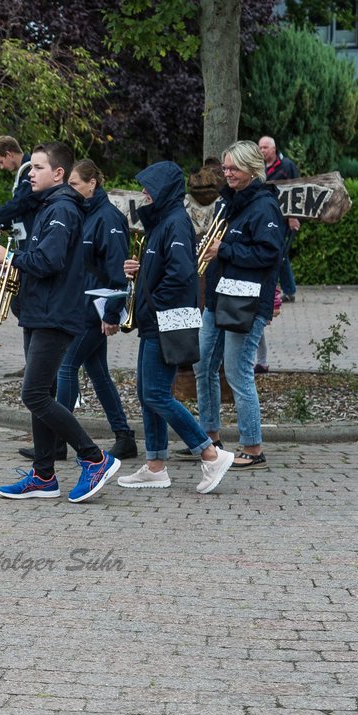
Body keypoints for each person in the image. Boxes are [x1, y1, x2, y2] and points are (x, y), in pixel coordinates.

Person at [0, 142, 120, 503]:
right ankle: (43, 476)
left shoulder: (61, 208)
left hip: (55, 313)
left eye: (38, 167)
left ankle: (94, 458)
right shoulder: (49, 207)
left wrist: (7, 256)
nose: (30, 173)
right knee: (43, 393)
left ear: (58, 174)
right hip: (41, 310)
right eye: (30, 167)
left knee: (35, 394)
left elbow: (50, 260)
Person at [114, 162, 236, 493]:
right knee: (147, 392)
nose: (142, 194)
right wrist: (138, 269)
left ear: (163, 190)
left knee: (154, 392)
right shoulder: (161, 223)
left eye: (148, 188)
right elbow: (164, 266)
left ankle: (210, 453)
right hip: (155, 321)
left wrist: (153, 302)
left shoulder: (175, 223)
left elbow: (182, 273)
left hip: (165, 322)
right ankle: (155, 466)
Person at [18, 160, 136, 461]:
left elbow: (117, 272)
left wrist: (111, 313)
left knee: (67, 367)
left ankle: (57, 441)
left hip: (93, 310)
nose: (69, 190)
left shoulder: (107, 217)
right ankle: (124, 436)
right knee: (98, 373)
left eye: (74, 184)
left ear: (92, 183)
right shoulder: (83, 213)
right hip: (81, 307)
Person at [192, 140, 286, 472]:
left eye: (233, 168)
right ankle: (209, 440)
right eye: (226, 168)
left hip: (246, 302)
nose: (227, 173)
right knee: (202, 366)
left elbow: (269, 255)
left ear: (251, 169)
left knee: (237, 372)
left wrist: (225, 250)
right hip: (220, 298)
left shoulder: (263, 207)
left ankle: (253, 446)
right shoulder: (232, 204)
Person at [259, 135, 300, 303]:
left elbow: (297, 190)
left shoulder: (287, 166)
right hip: (265, 216)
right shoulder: (259, 167)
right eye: (260, 148)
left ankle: (288, 290)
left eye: (265, 148)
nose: (262, 151)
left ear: (274, 149)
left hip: (283, 219)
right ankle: (278, 289)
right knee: (274, 253)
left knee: (280, 254)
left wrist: (293, 216)